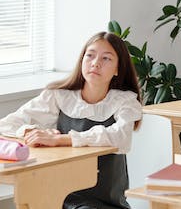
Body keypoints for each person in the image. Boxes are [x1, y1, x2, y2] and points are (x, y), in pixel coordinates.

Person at [0, 32, 143, 209]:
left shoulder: (124, 101)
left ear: (118, 69)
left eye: (106, 59)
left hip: (104, 203)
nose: (95, 63)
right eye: (90, 55)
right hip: (58, 197)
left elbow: (121, 137)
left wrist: (61, 139)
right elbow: (5, 124)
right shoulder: (59, 96)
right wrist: (33, 132)